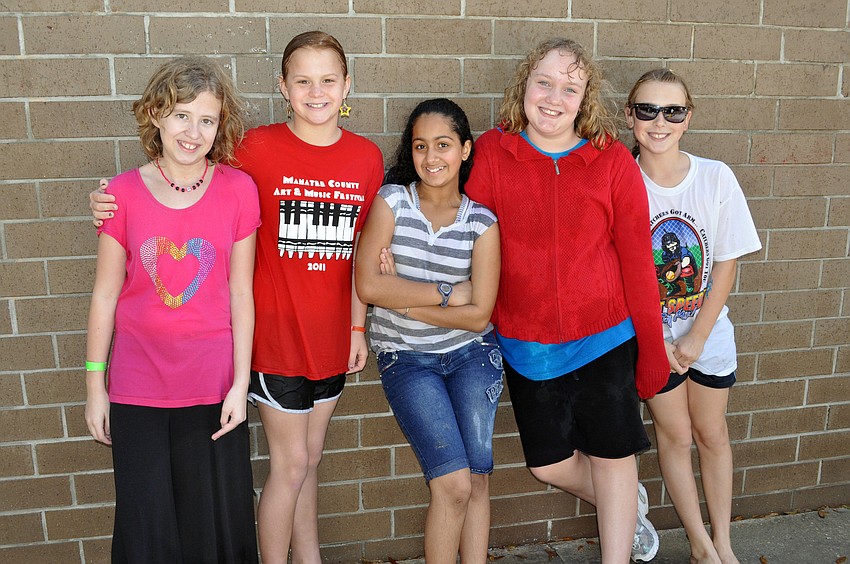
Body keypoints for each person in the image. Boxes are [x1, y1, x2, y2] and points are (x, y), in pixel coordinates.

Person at [89, 32, 385, 564]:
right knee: (291, 464)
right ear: (283, 87)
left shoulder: (364, 158)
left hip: (325, 338)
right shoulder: (255, 150)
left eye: (327, 80)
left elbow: (364, 242)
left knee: (307, 461)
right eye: (302, 81)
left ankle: (308, 556)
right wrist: (109, 201)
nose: (316, 92)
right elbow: (184, 179)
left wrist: (360, 319)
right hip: (271, 340)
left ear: (347, 86)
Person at [463, 38, 670, 563]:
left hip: (606, 335)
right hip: (526, 342)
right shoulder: (493, 152)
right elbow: (465, 234)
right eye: (545, 82)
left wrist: (652, 349)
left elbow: (638, 263)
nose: (555, 97)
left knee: (614, 453)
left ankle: (618, 545)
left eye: (570, 88)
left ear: (585, 99)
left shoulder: (612, 160)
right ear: (524, 87)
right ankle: (623, 507)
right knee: (548, 465)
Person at [85, 56, 260, 563]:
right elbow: (104, 296)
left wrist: (240, 383)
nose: (193, 131)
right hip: (138, 387)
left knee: (214, 524)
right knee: (147, 525)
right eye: (182, 115)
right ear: (156, 114)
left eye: (207, 120)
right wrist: (96, 386)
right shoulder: (120, 194)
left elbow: (240, 294)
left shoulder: (238, 190)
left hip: (212, 386)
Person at [355, 98, 502, 563]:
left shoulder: (482, 222)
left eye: (443, 145)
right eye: (420, 146)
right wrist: (445, 292)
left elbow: (479, 316)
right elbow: (368, 284)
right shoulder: (392, 201)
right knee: (453, 484)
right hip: (408, 360)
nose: (431, 157)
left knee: (476, 480)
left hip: (472, 355)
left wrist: (408, 302)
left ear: (465, 150)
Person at [625, 69, 761, 564]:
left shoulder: (715, 176)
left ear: (688, 117)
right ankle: (699, 545)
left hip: (708, 334)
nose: (659, 122)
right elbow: (615, 269)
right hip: (650, 338)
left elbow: (726, 259)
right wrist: (657, 338)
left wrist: (699, 334)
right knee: (675, 436)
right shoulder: (621, 180)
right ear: (630, 116)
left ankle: (723, 541)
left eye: (673, 111)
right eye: (647, 110)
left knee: (711, 433)